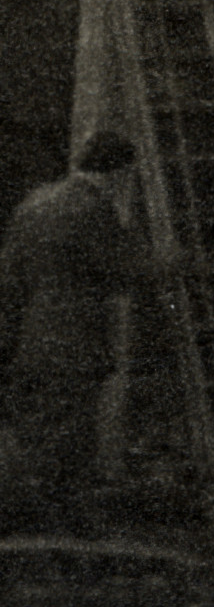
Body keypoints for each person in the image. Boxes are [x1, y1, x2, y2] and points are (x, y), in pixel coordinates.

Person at [0, 130, 150, 522]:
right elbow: (121, 270)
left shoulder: (33, 202)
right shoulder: (93, 208)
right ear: (119, 173)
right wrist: (168, 265)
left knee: (40, 428)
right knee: (74, 435)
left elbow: (9, 278)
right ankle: (65, 519)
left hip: (32, 336)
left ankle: (31, 513)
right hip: (77, 336)